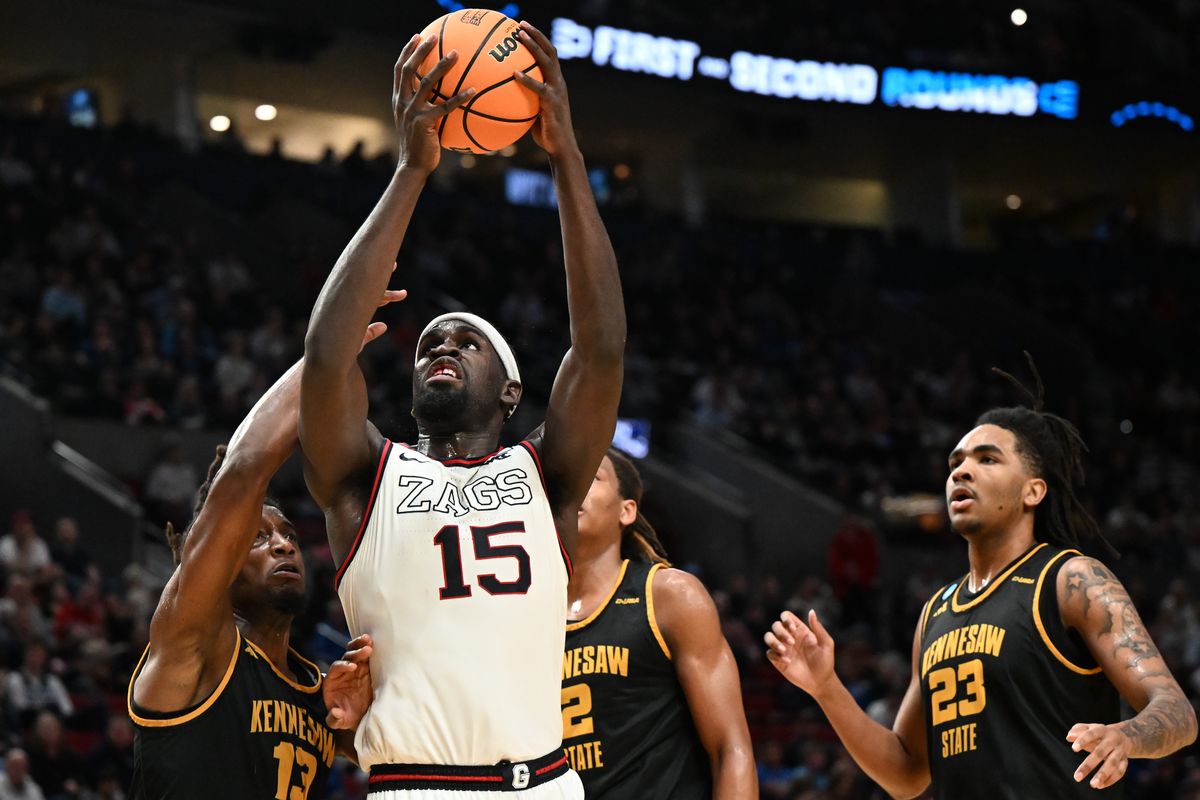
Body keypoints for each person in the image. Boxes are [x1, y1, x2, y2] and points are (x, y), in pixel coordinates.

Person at [299, 20, 625, 797]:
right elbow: (325, 358)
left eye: (467, 342)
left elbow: (602, 350)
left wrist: (567, 160)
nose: (441, 345)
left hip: (544, 785)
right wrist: (412, 170)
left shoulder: (547, 475)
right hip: (417, 784)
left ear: (512, 391)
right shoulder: (363, 478)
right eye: (428, 343)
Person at [765, 363, 1198, 799]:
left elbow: (1178, 712)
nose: (961, 471)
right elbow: (907, 773)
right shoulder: (935, 612)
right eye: (955, 462)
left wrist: (1126, 736)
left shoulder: (1071, 580)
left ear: (1033, 491)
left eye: (987, 459)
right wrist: (827, 688)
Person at [127, 310, 396, 799]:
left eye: (288, 534)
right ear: (224, 559)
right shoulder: (195, 647)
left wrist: (364, 726)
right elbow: (245, 469)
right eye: (257, 537)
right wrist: (329, 347)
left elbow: (405, 758)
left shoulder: (317, 688)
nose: (283, 543)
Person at [562, 448, 756, 798]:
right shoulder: (524, 612)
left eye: (592, 477)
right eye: (564, 480)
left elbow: (731, 749)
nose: (574, 487)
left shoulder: (669, 595)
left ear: (626, 511)